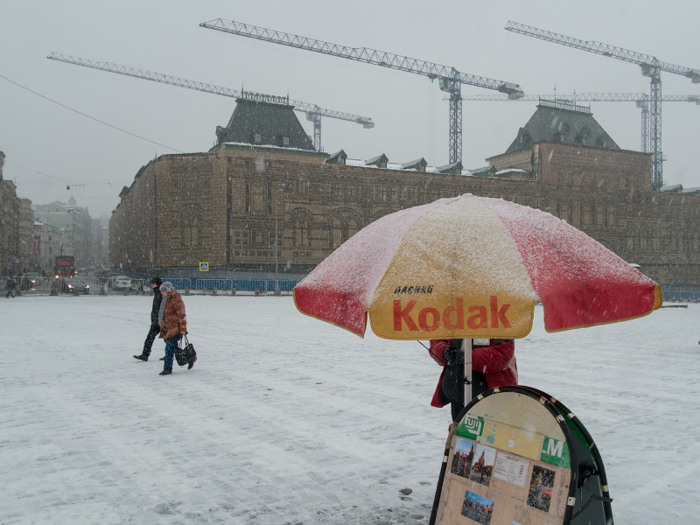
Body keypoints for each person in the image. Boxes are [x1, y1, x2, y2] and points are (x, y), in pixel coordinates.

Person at [428, 339, 517, 422]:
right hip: (456, 392)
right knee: (459, 435)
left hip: (490, 397)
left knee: (488, 435)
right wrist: (444, 351)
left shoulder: (498, 323)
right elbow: (436, 341)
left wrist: (467, 357)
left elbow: (503, 353)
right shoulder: (451, 321)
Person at [157, 281, 190, 376]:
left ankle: (167, 369)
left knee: (168, 349)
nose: (161, 293)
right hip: (168, 328)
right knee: (173, 348)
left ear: (167, 291)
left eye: (163, 291)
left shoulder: (176, 300)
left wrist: (183, 329)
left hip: (175, 328)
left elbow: (182, 315)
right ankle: (190, 358)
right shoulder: (167, 299)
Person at [133, 277, 163, 362]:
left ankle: (173, 354)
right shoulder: (158, 294)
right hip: (156, 321)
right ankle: (145, 354)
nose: (151, 285)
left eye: (153, 284)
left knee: (167, 339)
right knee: (150, 338)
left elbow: (162, 309)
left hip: (160, 322)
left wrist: (158, 320)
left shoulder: (161, 294)